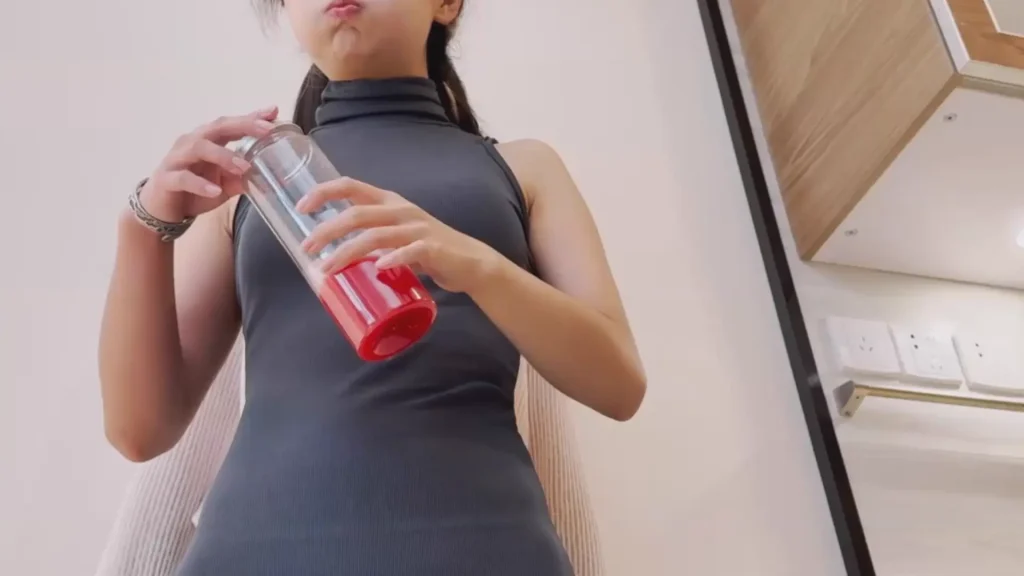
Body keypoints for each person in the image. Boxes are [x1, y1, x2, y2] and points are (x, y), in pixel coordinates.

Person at [98, 0, 646, 574]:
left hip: (483, 551)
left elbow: (620, 386)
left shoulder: (526, 168)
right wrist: (144, 226)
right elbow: (139, 431)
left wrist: (477, 266)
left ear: (446, 4)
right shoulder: (248, 190)